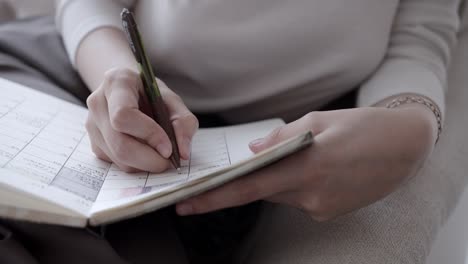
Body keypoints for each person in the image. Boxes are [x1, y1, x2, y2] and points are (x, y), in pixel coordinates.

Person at [0, 0, 461, 263]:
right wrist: (118, 75)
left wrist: (413, 128)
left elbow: (420, 38)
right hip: (73, 72)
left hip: (215, 164)